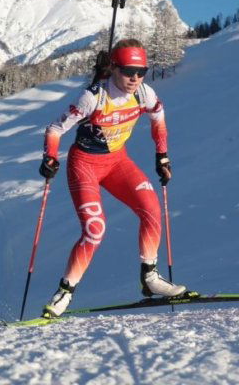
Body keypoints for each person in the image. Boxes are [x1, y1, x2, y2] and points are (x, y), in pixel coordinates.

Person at [39, 39, 185, 319]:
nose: (135, 78)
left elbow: (159, 117)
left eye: (141, 71)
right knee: (95, 229)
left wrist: (162, 156)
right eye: (129, 70)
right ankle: (65, 291)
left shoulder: (144, 93)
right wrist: (50, 157)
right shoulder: (92, 97)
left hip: (118, 162)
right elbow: (55, 129)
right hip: (85, 165)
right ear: (114, 68)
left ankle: (149, 276)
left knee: (152, 208)